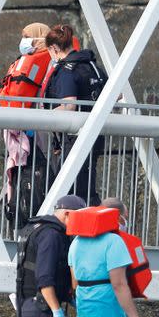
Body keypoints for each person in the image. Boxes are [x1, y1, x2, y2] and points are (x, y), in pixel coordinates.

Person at [43, 24, 108, 206]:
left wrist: (44, 116)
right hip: (95, 134)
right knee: (86, 184)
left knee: (70, 189)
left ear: (54, 49)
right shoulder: (92, 66)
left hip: (74, 137)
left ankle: (78, 229)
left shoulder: (67, 70)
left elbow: (69, 105)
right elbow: (115, 94)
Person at [0, 22, 52, 228]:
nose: (24, 41)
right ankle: (20, 212)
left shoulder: (48, 65)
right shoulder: (37, 62)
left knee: (34, 175)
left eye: (27, 36)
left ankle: (28, 217)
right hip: (27, 131)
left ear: (40, 38)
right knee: (24, 176)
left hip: (36, 133)